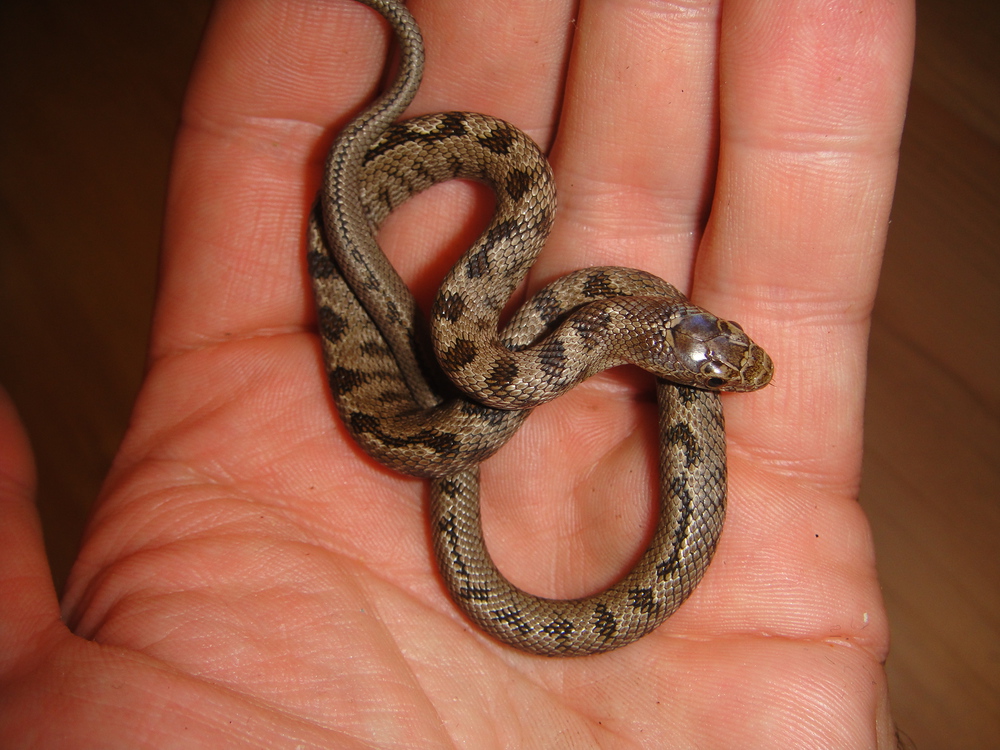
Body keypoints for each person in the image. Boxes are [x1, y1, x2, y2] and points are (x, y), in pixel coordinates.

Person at [0, 0, 914, 745]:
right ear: (668, 335)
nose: (724, 374)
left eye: (715, 367)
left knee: (485, 357)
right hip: (503, 346)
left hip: (543, 340)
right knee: (465, 332)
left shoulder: (606, 317)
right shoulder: (566, 317)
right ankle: (362, 220)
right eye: (720, 361)